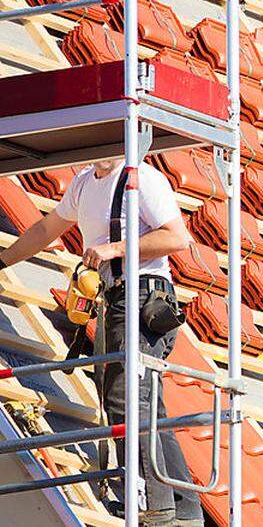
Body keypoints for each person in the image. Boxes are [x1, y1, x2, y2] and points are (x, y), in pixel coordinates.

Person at [0, 160, 198, 526]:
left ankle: (153, 506)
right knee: (141, 401)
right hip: (117, 299)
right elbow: (46, 228)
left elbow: (176, 238)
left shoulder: (141, 179)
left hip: (143, 297)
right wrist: (2, 260)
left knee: (128, 399)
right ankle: (182, 505)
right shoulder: (83, 184)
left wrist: (114, 249)